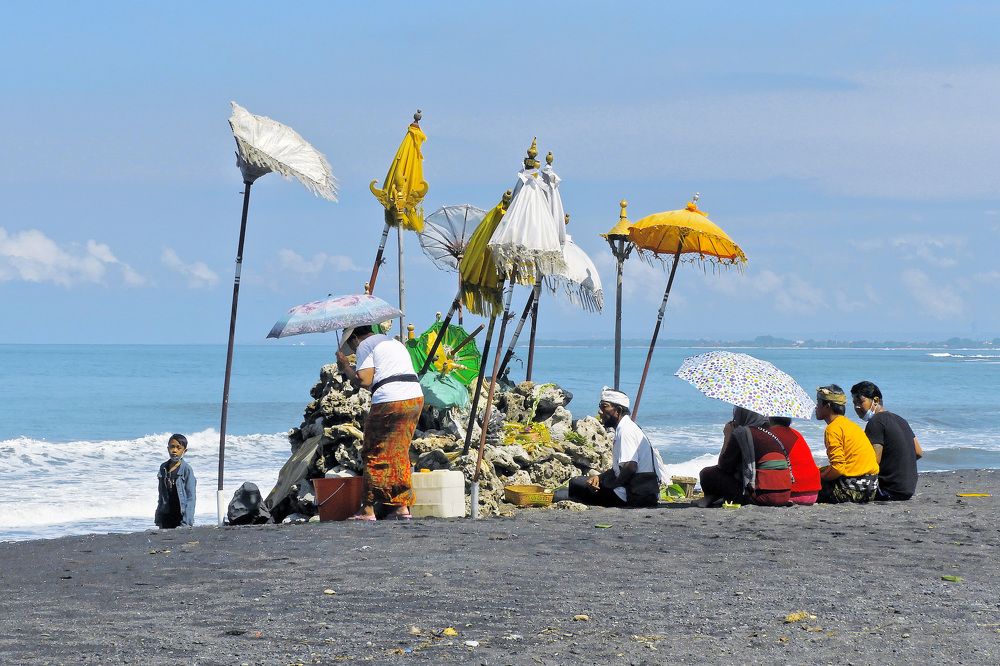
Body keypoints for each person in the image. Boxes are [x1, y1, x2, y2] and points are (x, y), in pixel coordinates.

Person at [336, 324, 424, 521]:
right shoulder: (393, 343)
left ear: (354, 338)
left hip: (390, 401)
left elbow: (365, 381)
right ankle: (402, 507)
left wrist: (346, 367)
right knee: (399, 452)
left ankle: (367, 510)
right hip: (414, 398)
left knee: (373, 451)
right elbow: (380, 380)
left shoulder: (365, 345)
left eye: (351, 345)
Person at [557, 387, 665, 508]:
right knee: (581, 484)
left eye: (604, 406)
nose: (600, 411)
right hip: (643, 493)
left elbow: (630, 467)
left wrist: (612, 485)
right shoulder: (627, 426)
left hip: (633, 496)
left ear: (617, 410)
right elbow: (619, 469)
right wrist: (599, 477)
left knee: (576, 483)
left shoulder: (626, 431)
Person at [696, 407, 792, 507]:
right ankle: (711, 498)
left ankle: (710, 498)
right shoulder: (771, 433)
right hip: (784, 496)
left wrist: (728, 436)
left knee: (706, 474)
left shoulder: (742, 433)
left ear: (741, 415)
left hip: (761, 497)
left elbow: (723, 466)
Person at [850, 381, 922, 501]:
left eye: (860, 401)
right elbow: (918, 452)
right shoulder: (901, 420)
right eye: (854, 403)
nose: (857, 407)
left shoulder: (875, 422)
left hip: (888, 489)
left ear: (876, 400)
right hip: (908, 489)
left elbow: (874, 461)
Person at [815, 385, 879, 503]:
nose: (816, 407)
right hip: (871, 487)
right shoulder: (850, 425)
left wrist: (819, 477)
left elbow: (838, 468)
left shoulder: (833, 429)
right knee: (820, 471)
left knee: (811, 483)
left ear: (827, 406)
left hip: (854, 489)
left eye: (818, 403)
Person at [768, 417, 822, 505]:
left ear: (770, 418)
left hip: (791, 493)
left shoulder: (770, 434)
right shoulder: (796, 433)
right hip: (813, 493)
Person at [155, 434, 196, 528]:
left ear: (184, 451)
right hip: (166, 516)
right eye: (172, 447)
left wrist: (186, 522)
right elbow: (161, 496)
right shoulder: (163, 467)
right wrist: (159, 517)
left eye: (179, 448)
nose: (174, 450)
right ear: (168, 448)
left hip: (181, 517)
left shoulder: (187, 470)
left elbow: (191, 498)